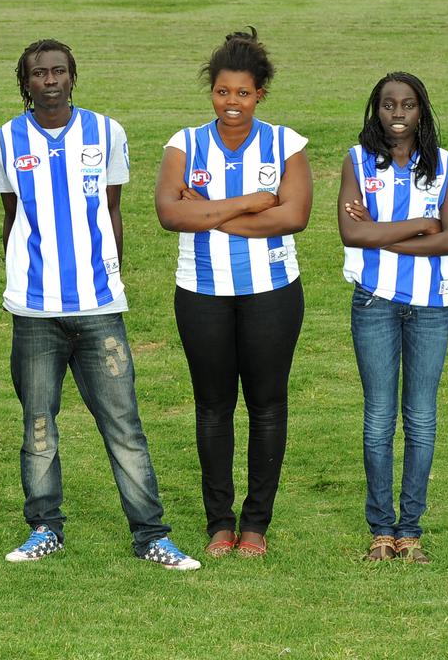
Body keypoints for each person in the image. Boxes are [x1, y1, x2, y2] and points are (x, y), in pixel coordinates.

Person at [0, 38, 199, 570]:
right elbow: (12, 217)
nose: (50, 81)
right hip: (35, 310)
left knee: (123, 425)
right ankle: (44, 528)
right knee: (39, 426)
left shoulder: (106, 133)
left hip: (99, 306)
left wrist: (109, 277)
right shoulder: (5, 140)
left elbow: (112, 210)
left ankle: (152, 535)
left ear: (73, 76)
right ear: (26, 81)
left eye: (59, 71)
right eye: (39, 73)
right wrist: (20, 280)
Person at [155, 29, 313, 559]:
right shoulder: (185, 143)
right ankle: (219, 522)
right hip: (201, 292)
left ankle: (256, 524)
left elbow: (294, 216)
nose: (231, 104)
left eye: (242, 94)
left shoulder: (286, 143)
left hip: (272, 292)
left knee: (267, 407)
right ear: (212, 92)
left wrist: (210, 213)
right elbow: (170, 213)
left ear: (259, 95)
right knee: (213, 408)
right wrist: (248, 203)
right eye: (223, 92)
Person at [337, 72, 448, 563]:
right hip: (374, 301)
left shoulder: (444, 165)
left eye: (407, 105)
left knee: (422, 418)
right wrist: (418, 227)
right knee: (378, 418)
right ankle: (380, 530)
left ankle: (410, 529)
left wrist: (380, 233)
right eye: (387, 105)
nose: (397, 113)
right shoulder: (357, 160)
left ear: (421, 112)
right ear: (376, 110)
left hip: (431, 305)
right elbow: (350, 233)